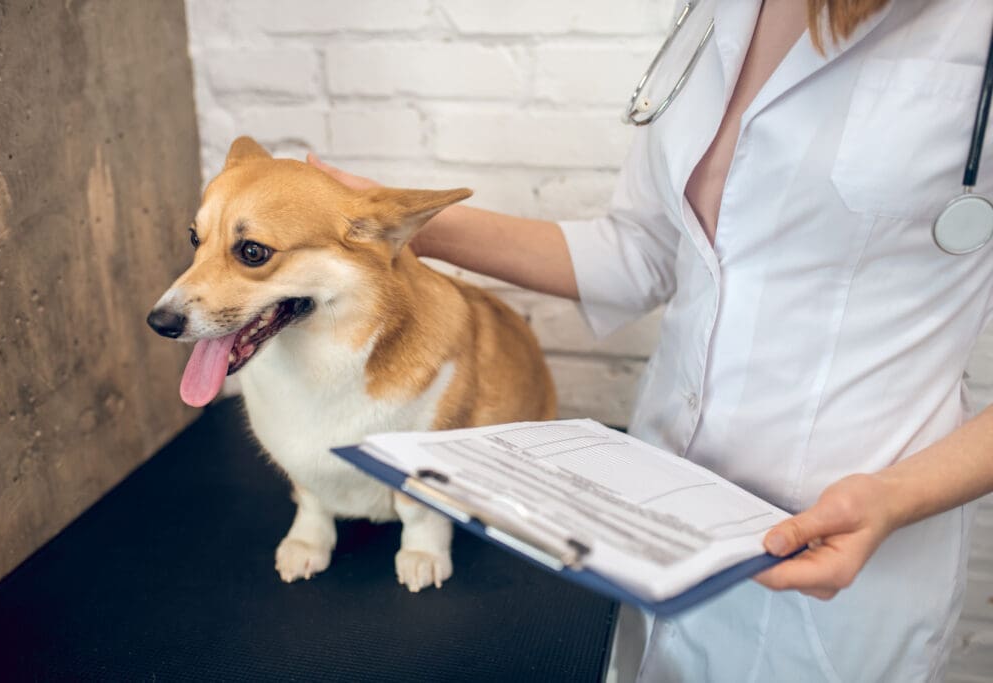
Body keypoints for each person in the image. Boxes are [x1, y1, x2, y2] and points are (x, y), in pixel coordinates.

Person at [308, 0, 993, 679]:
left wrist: (896, 496)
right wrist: (394, 220)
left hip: (846, 554)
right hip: (659, 526)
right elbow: (636, 253)